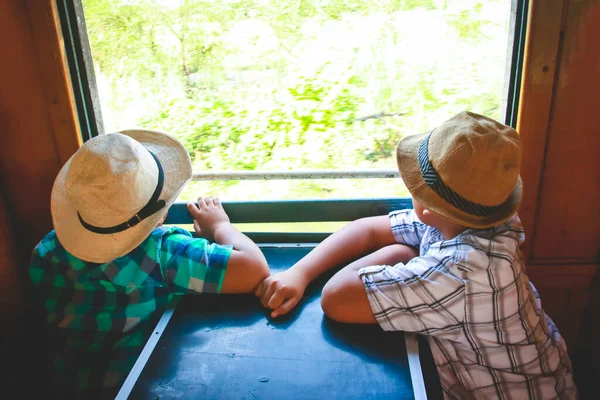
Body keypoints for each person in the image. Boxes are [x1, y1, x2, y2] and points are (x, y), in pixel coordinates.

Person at [255, 111, 577, 399]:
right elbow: (365, 228)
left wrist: (394, 254)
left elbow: (337, 299)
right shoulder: (485, 219)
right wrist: (299, 272)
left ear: (423, 205)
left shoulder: (461, 274)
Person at [29, 130, 269, 399]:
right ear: (160, 213)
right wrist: (221, 226)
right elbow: (254, 268)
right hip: (129, 390)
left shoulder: (46, 250)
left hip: (66, 388)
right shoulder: (162, 253)